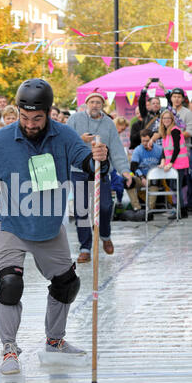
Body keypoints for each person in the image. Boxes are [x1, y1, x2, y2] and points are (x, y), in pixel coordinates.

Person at [0, 78, 109, 377]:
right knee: (11, 283)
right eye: (25, 117)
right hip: (11, 222)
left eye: (37, 118)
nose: (30, 123)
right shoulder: (2, 140)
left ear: (48, 112)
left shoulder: (65, 136)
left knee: (67, 284)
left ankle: (54, 341)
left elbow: (89, 167)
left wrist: (99, 161)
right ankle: (9, 348)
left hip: (49, 223)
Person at [67, 92, 132, 262]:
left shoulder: (109, 123)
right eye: (92, 102)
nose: (95, 105)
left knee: (105, 206)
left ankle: (104, 235)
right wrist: (80, 139)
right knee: (81, 210)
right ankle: (85, 247)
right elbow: (66, 142)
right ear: (86, 103)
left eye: (98, 102)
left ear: (102, 105)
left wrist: (125, 171)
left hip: (101, 170)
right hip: (79, 170)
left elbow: (117, 148)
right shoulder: (74, 120)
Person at [124, 129, 163, 219]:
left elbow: (163, 164)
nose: (145, 143)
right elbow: (133, 167)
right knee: (128, 181)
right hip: (141, 178)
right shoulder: (138, 150)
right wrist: (142, 177)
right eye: (143, 141)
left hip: (154, 178)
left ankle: (149, 209)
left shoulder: (159, 150)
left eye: (147, 141)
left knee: (155, 181)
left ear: (152, 140)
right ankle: (137, 209)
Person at [158, 109, 189, 219]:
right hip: (172, 164)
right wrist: (162, 160)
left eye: (168, 118)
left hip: (178, 163)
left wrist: (170, 162)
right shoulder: (165, 132)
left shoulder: (175, 130)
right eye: (164, 118)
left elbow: (176, 148)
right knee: (173, 187)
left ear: (172, 119)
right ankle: (181, 210)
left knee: (177, 187)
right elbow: (165, 150)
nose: (166, 120)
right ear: (161, 120)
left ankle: (181, 211)